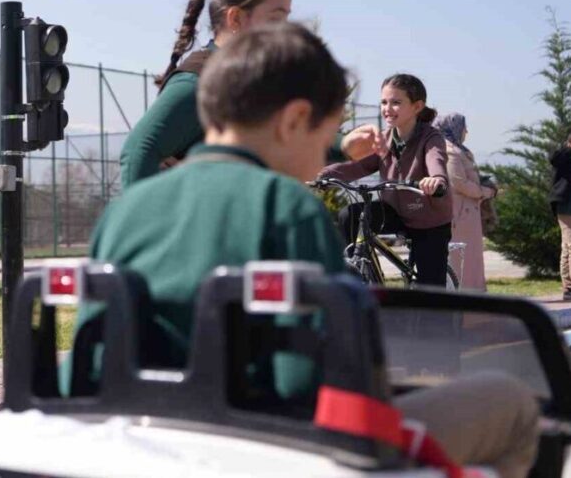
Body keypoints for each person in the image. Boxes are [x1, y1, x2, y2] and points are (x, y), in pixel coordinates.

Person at [79, 23, 538, 478]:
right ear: (296, 120)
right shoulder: (289, 210)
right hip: (271, 446)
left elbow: (85, 368)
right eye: (328, 131)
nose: (329, 147)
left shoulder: (127, 211)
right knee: (509, 400)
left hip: (151, 440)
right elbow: (314, 381)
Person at [118, 0, 376, 188]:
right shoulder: (199, 81)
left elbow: (288, 136)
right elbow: (139, 150)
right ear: (236, 18)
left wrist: (344, 144)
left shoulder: (257, 81)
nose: (284, 29)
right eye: (276, 18)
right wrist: (148, 228)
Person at [322, 74, 453, 286]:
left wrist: (436, 180)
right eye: (384, 102)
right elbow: (359, 166)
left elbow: (436, 160)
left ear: (417, 106)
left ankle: (440, 316)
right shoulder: (383, 139)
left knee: (431, 288)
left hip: (428, 218)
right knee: (350, 215)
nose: (387, 108)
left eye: (396, 103)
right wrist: (323, 175)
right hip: (394, 211)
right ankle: (362, 271)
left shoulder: (430, 137)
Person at [434, 112, 495, 290]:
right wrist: (486, 192)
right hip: (460, 215)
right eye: (463, 127)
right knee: (462, 259)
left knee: (472, 258)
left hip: (467, 213)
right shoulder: (450, 151)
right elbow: (459, 183)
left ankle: (474, 294)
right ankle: (465, 295)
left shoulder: (458, 149)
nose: (466, 131)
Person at [549, 130, 571, 300]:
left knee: (568, 248)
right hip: (568, 208)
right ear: (570, 144)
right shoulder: (568, 159)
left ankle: (569, 286)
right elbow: (554, 158)